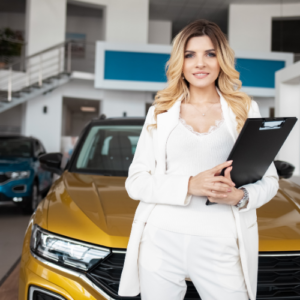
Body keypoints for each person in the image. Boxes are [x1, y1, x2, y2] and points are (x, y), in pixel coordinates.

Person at [118, 19, 279, 300]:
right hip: (161, 238)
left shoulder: (244, 108)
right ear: (180, 62)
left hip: (221, 241)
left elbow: (270, 181)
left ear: (222, 60)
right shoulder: (160, 111)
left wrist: (240, 197)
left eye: (210, 54)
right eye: (190, 55)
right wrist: (190, 184)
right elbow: (136, 182)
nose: (200, 63)